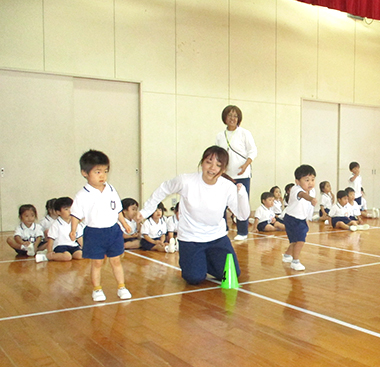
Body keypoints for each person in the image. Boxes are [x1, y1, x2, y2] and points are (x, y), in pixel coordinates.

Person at [137, 146, 250, 285]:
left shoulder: (228, 187)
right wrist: (144, 212)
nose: (212, 168)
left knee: (232, 273)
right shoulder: (186, 181)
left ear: (224, 169)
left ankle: (205, 259)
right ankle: (196, 261)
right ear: (202, 162)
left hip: (217, 237)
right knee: (194, 278)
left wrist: (242, 195)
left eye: (218, 165)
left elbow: (242, 216)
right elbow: (163, 189)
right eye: (209, 162)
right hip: (191, 238)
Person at [69, 150, 132, 302]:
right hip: (94, 233)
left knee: (116, 260)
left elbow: (117, 209)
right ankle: (97, 289)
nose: (102, 175)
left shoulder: (110, 190)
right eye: (97, 172)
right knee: (97, 262)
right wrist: (73, 230)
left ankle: (121, 287)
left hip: (113, 231)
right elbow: (75, 214)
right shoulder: (82, 195)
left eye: (105, 171)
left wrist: (124, 224)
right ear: (84, 172)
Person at [215, 105, 257, 241]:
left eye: (235, 116)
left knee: (241, 203)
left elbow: (253, 151)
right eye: (230, 115)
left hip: (241, 174)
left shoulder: (245, 133)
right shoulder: (220, 136)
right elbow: (217, 154)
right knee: (221, 202)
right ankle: (222, 229)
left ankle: (243, 231)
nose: (232, 118)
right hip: (225, 175)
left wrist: (245, 165)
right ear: (224, 118)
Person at [282, 165, 318, 271]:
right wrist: (311, 199)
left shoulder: (312, 190)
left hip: (301, 219)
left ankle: (287, 255)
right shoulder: (295, 189)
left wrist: (309, 219)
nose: (310, 183)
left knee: (294, 241)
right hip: (292, 219)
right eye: (307, 180)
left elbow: (308, 208)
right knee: (300, 240)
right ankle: (295, 261)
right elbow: (302, 195)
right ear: (297, 181)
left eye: (312, 179)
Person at [36, 197, 84, 262]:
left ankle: (69, 254)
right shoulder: (56, 224)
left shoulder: (75, 223)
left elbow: (79, 237)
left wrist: (85, 248)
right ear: (58, 212)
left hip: (73, 245)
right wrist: (49, 251)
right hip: (60, 246)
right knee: (67, 257)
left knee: (82, 255)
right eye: (66, 209)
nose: (70, 211)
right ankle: (48, 257)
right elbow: (51, 239)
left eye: (71, 208)